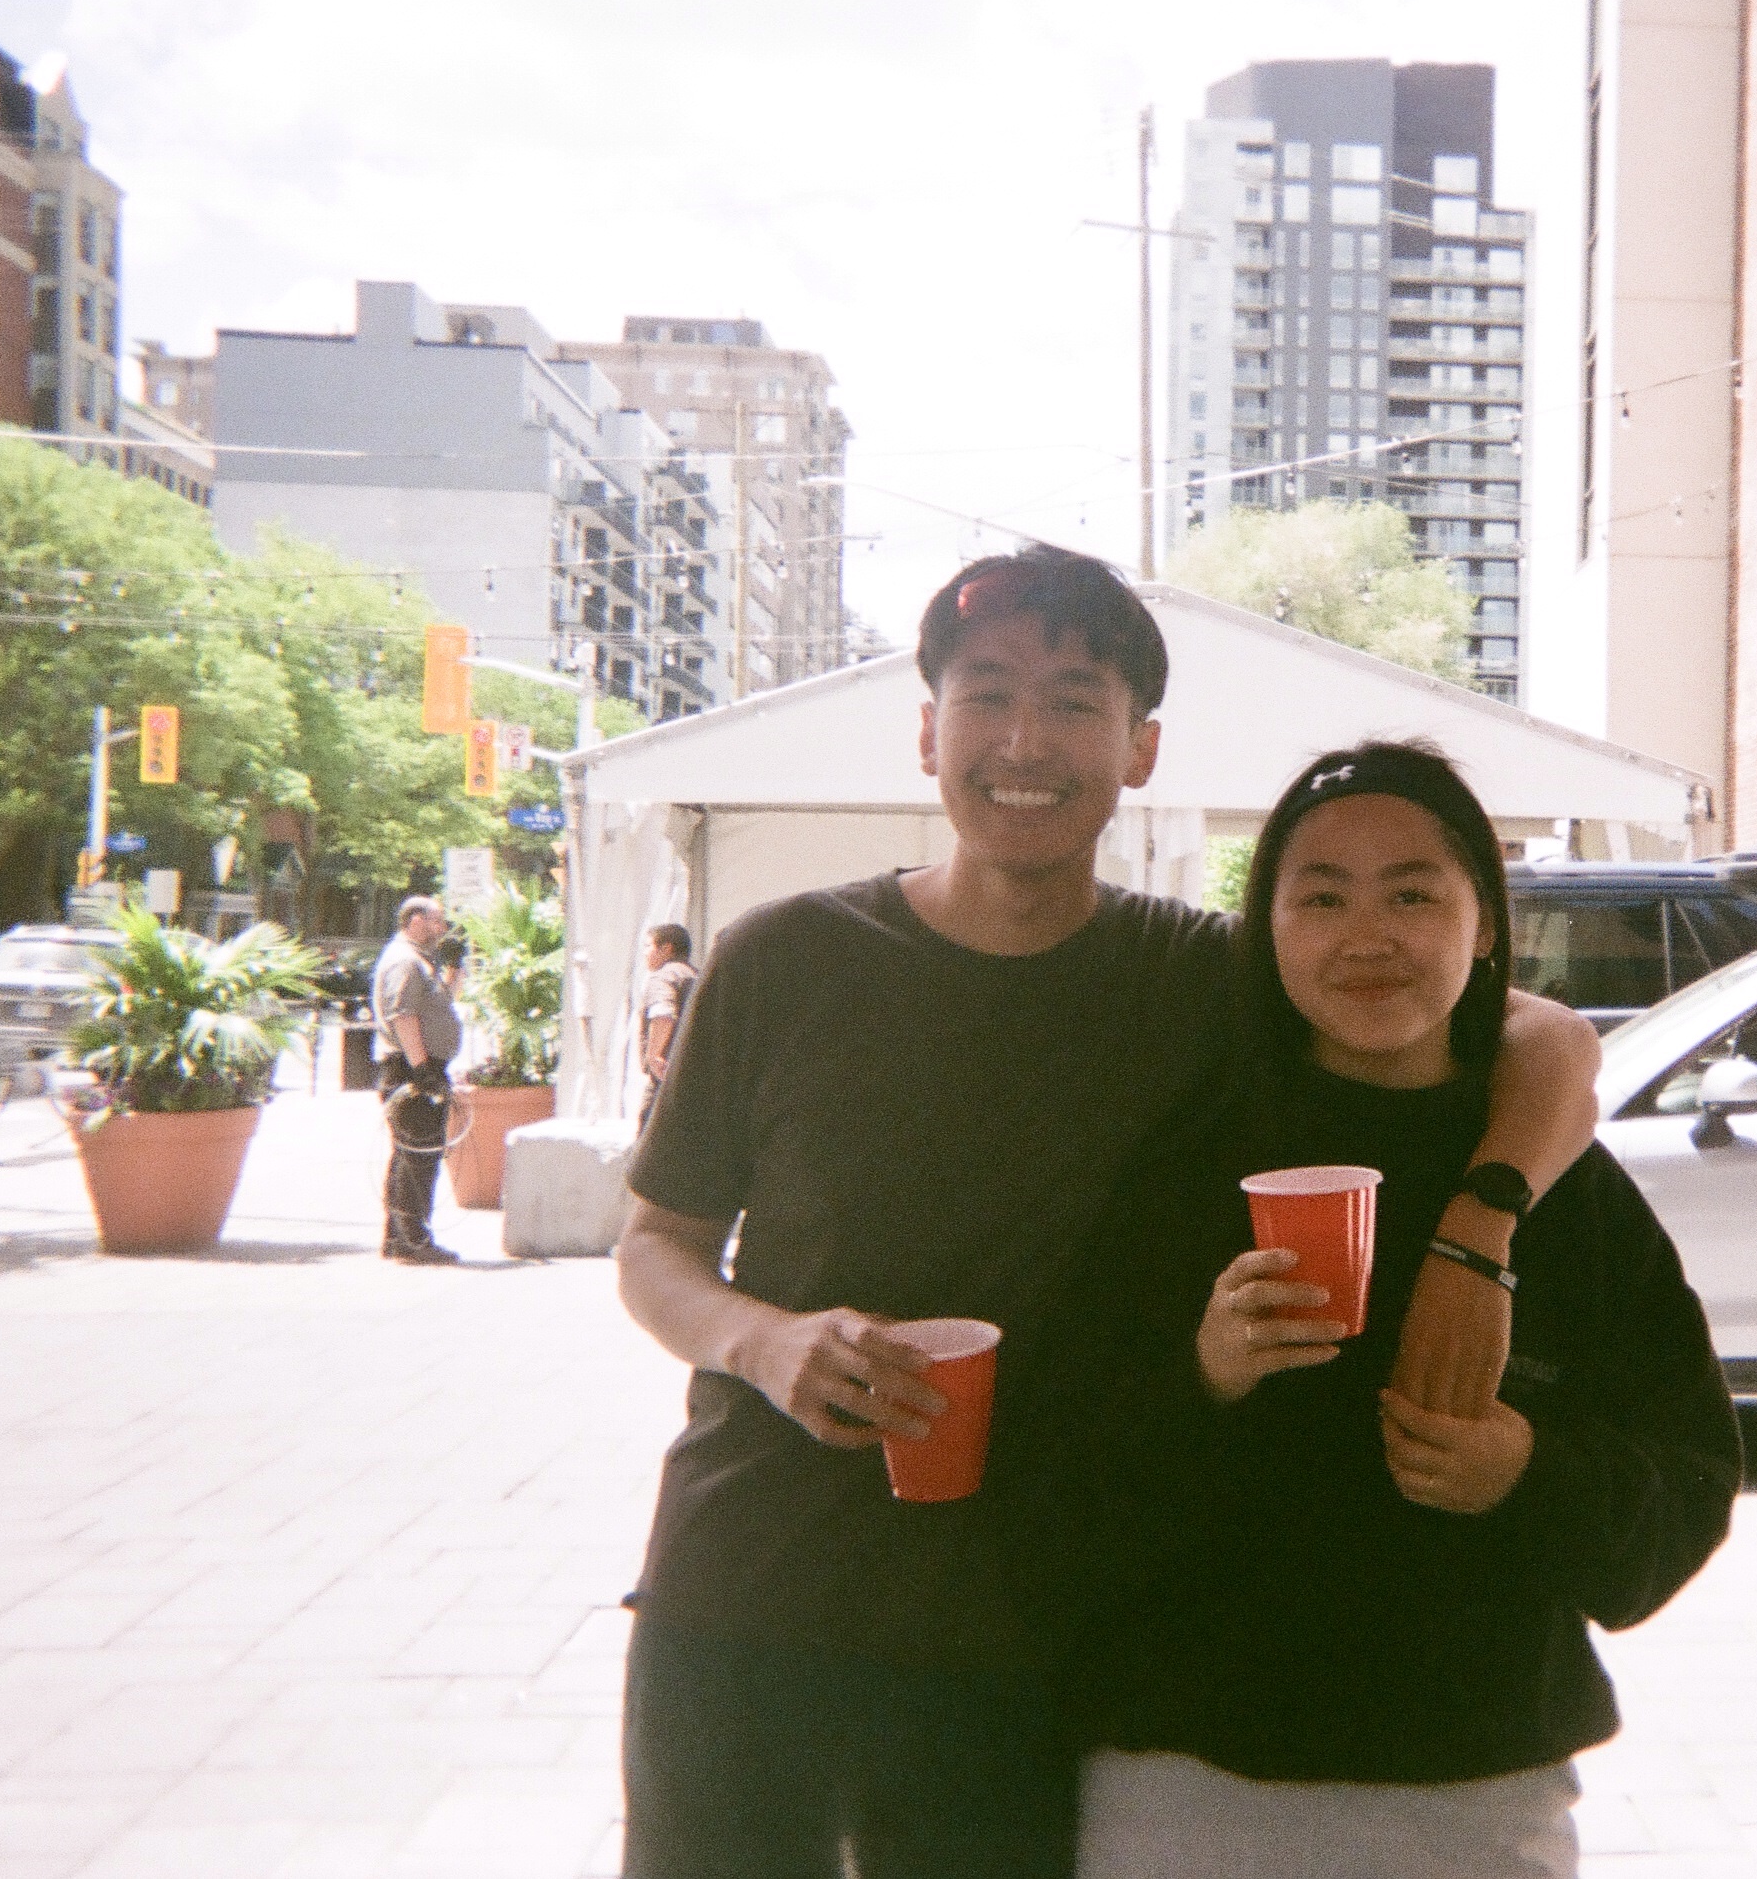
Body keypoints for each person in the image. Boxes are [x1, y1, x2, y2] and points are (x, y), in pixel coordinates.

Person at [609, 550, 1603, 1879]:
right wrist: (765, 1339)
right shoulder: (786, 956)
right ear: (928, 731)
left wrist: (1480, 1231)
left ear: (1140, 748)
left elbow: (1541, 1036)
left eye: (1074, 701)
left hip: (1016, 1634)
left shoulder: (1201, 980)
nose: (1025, 742)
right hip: (745, 1598)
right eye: (987, 694)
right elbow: (655, 1244)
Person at [1049, 742, 1739, 1879]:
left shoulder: (1561, 1187)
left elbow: (1687, 1486)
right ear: (1266, 933)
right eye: (1321, 898)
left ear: (1484, 924)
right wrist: (1200, 1373)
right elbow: (1055, 1486)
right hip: (1184, 1783)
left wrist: (1525, 1471)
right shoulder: (1186, 1161)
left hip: (1472, 1792)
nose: (1366, 937)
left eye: (1413, 894)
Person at [369, 893, 462, 1266]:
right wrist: (422, 1068)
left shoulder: (422, 960)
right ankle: (413, 1240)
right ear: (416, 921)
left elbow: (444, 1003)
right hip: (410, 1068)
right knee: (419, 1154)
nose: (443, 928)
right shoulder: (405, 961)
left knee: (412, 1154)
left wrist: (455, 967)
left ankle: (399, 1237)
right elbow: (403, 1015)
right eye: (437, 921)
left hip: (420, 1066)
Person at [636, 924, 696, 1122]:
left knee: (650, 1130)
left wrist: (654, 1055)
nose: (645, 953)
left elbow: (663, 1014)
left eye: (648, 946)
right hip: (695, 1072)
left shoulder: (663, 976)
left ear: (666, 948)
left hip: (666, 1073)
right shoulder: (697, 976)